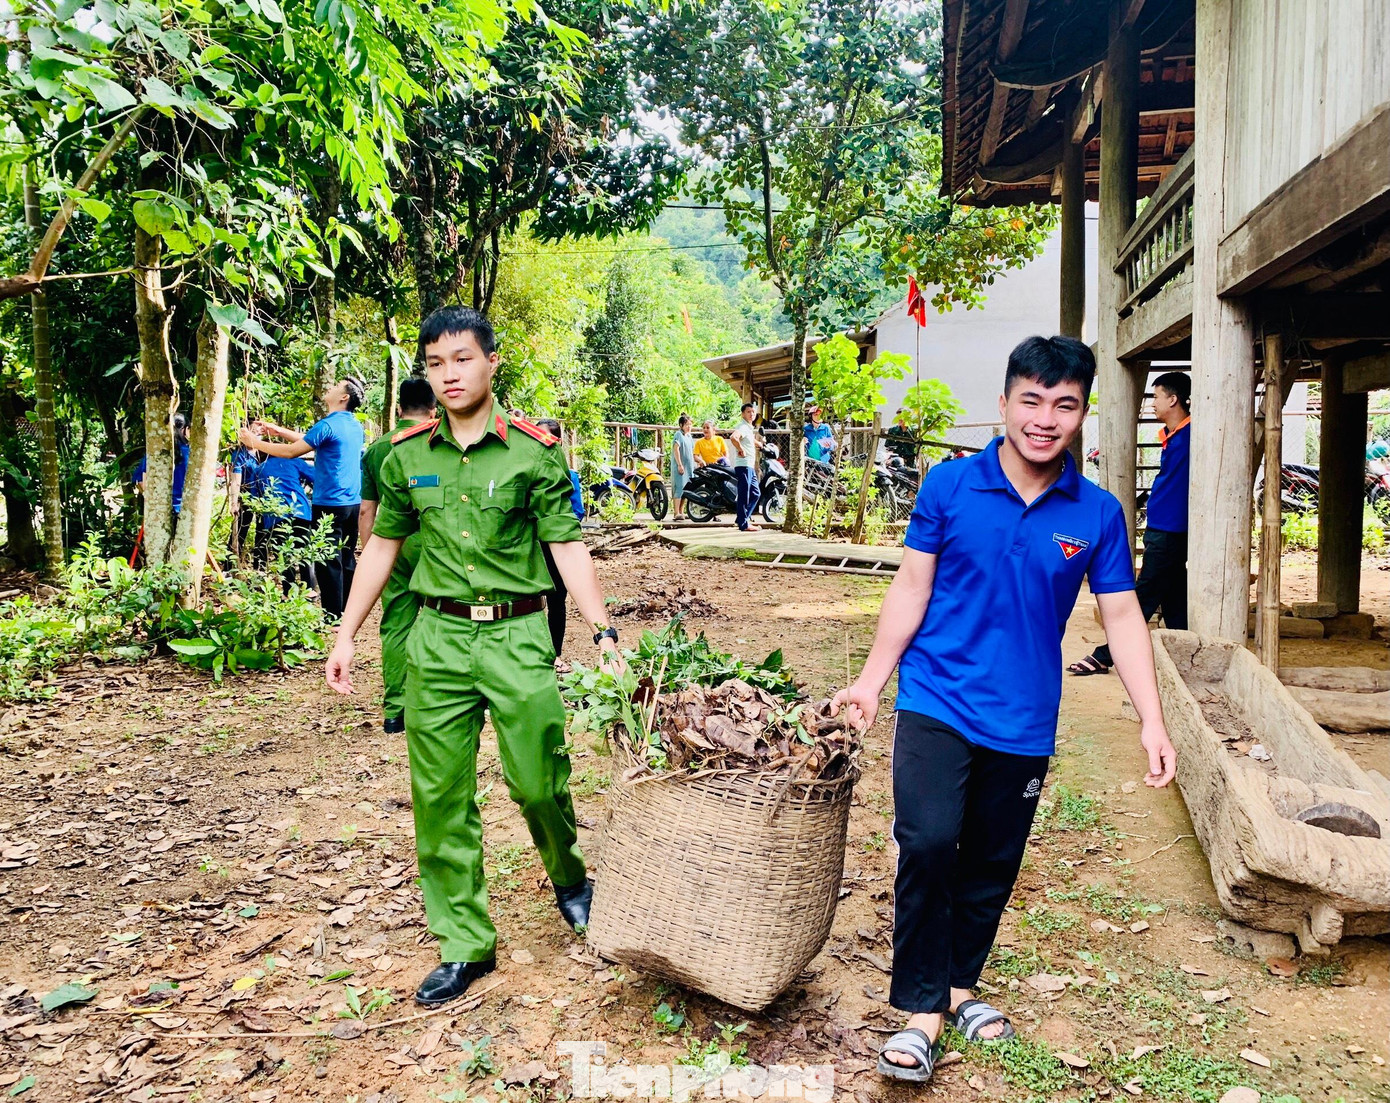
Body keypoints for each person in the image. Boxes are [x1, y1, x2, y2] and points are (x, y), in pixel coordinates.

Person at [830, 336, 1176, 1084]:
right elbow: (912, 590)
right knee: (927, 841)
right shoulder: (950, 487)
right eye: (1032, 400)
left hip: (1023, 716)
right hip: (937, 696)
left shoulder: (1097, 513)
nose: (1044, 418)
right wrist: (870, 680)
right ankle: (922, 1011)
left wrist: (1151, 717)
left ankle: (959, 987)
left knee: (990, 859)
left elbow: (1120, 617)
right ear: (1005, 403)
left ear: (1081, 414)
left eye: (1064, 404)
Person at [325, 306, 625, 1009]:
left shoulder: (533, 450)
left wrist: (602, 632)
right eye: (436, 363)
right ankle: (464, 941)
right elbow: (382, 548)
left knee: (538, 780)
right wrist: (346, 633)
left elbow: (566, 546)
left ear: (491, 362)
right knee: (440, 797)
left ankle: (571, 877)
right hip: (437, 640)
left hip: (518, 635)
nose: (449, 373)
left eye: (462, 358)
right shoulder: (407, 457)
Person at [1070, 371, 1191, 675]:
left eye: (1157, 397)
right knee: (1174, 595)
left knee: (1145, 593)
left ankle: (1105, 655)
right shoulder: (1174, 436)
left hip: (1171, 531)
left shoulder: (1191, 437)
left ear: (1173, 400)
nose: (1153, 404)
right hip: (1163, 528)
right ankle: (1186, 654)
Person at [239, 378, 367, 618]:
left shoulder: (327, 425)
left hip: (329, 503)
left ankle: (333, 616)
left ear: (344, 397)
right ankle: (349, 611)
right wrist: (277, 431)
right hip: (352, 502)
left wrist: (255, 442)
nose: (330, 388)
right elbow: (315, 439)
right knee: (347, 557)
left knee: (327, 560)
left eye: (336, 386)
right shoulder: (352, 425)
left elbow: (291, 451)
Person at [360, 377, 438, 734]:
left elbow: (367, 511)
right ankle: (438, 701)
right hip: (435, 544)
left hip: (392, 544)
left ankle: (395, 711)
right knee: (445, 621)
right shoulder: (440, 440)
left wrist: (370, 556)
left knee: (395, 624)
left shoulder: (377, 449)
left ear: (397, 408)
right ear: (434, 407)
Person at [534, 418, 586, 656]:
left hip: (556, 548)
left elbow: (577, 512)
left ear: (556, 441)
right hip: (531, 547)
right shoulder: (527, 471)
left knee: (556, 601)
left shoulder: (569, 475)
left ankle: (555, 653)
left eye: (542, 435)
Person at [253, 450, 317, 591]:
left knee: (283, 554)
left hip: (275, 516)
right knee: (304, 552)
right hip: (300, 511)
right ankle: (310, 590)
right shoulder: (294, 462)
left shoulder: (259, 469)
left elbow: (254, 497)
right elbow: (316, 477)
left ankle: (288, 591)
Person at [132, 414, 191, 514]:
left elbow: (140, 481)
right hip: (184, 510)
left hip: (160, 511)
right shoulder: (191, 454)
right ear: (185, 429)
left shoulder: (155, 453)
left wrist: (152, 499)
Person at [730, 403, 761, 531]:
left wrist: (759, 443)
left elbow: (749, 439)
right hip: (743, 465)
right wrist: (740, 448)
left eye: (753, 412)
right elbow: (734, 437)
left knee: (755, 493)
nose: (751, 414)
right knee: (744, 494)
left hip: (749, 466)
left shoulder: (748, 428)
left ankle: (742, 518)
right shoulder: (742, 426)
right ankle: (743, 524)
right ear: (743, 414)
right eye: (748, 412)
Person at [671, 414, 695, 519]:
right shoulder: (678, 435)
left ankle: (681, 511)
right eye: (686, 424)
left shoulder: (689, 436)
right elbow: (676, 449)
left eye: (690, 424)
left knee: (686, 489)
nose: (689, 427)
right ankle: (676, 512)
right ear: (681, 425)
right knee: (679, 488)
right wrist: (679, 464)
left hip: (689, 467)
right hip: (680, 466)